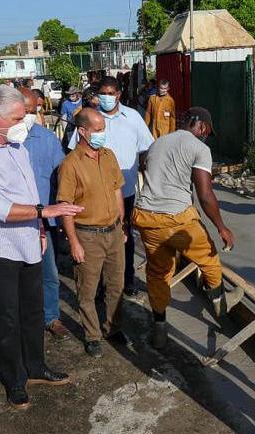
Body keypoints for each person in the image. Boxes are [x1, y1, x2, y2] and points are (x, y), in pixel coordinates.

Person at [0, 85, 82, 409]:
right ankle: (15, 381)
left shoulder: (17, 147)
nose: (23, 121)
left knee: (32, 309)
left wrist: (39, 227)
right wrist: (44, 213)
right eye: (18, 116)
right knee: (7, 317)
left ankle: (36, 366)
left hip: (29, 241)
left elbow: (29, 194)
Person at [132, 108, 244, 348]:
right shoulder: (200, 148)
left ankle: (160, 326)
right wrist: (222, 227)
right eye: (207, 131)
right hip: (178, 219)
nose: (206, 135)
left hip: (147, 218)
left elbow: (143, 165)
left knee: (158, 272)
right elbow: (204, 194)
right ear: (201, 126)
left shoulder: (158, 142)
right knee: (209, 258)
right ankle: (221, 306)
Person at [69, 76, 154, 296]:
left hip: (124, 192)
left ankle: (126, 281)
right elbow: (73, 152)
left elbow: (147, 150)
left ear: (118, 94)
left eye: (110, 93)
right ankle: (95, 285)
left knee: (124, 238)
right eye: (102, 93)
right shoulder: (89, 119)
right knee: (94, 240)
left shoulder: (133, 118)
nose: (106, 98)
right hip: (93, 194)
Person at [58, 109, 126, 357]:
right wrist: (73, 242)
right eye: (97, 130)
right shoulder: (70, 165)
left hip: (114, 233)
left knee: (115, 286)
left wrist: (122, 225)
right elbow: (66, 209)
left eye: (103, 129)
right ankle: (92, 335)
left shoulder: (109, 156)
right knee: (87, 290)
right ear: (83, 131)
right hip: (87, 235)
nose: (102, 134)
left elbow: (118, 191)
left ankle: (113, 327)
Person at [19, 89, 69, 340]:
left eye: (32, 111)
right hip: (13, 222)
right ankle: (24, 319)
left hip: (44, 220)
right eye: (23, 112)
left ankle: (51, 317)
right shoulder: (1, 140)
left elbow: (61, 176)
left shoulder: (47, 139)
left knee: (49, 273)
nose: (28, 116)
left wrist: (61, 218)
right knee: (20, 274)